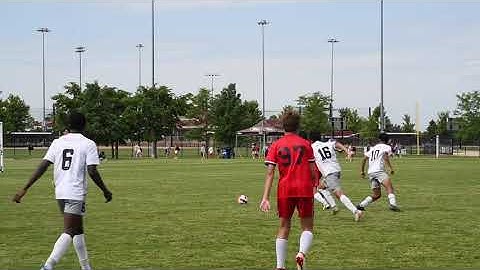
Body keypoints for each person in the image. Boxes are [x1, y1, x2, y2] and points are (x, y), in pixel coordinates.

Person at [12, 112, 113, 270]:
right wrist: (105, 190)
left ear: (68, 126)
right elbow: (92, 171)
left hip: (60, 191)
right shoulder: (88, 144)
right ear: (84, 125)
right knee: (70, 230)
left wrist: (25, 188)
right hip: (75, 192)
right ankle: (48, 266)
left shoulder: (57, 142)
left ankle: (86, 267)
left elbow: (43, 165)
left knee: (78, 230)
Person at [260, 111, 316, 270]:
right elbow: (313, 170)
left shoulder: (276, 145)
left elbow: (270, 172)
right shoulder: (306, 144)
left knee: (284, 226)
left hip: (285, 190)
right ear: (298, 126)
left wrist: (265, 197)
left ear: (283, 126)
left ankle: (280, 266)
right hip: (304, 189)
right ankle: (301, 254)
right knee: (307, 227)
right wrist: (316, 183)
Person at [311, 136, 364, 221]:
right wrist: (347, 152)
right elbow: (336, 143)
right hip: (336, 170)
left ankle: (356, 211)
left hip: (330, 172)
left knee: (339, 194)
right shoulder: (327, 143)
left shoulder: (312, 147)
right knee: (320, 187)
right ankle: (334, 207)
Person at [357, 133, 400, 212]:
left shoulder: (373, 148)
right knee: (389, 188)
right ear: (387, 140)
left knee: (377, 195)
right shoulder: (387, 147)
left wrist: (362, 171)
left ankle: (361, 205)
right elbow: (385, 157)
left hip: (371, 173)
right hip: (379, 171)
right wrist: (391, 168)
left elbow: (364, 159)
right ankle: (393, 204)